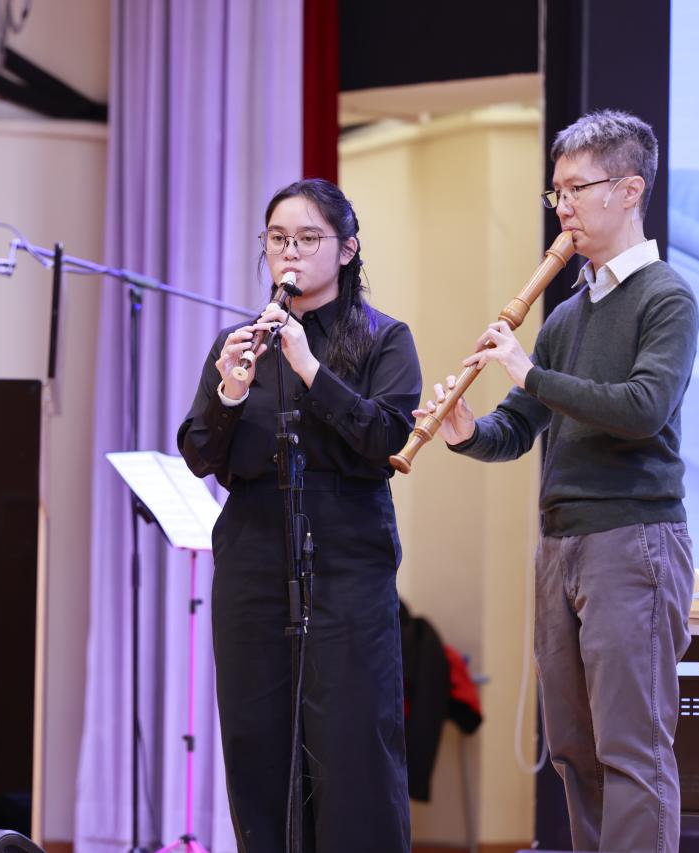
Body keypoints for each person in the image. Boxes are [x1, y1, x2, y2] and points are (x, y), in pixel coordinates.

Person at [416, 110, 698, 853]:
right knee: (574, 750)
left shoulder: (667, 297)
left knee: (632, 751)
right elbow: (518, 427)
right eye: (557, 192)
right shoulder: (567, 314)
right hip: (562, 544)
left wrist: (528, 370)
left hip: (633, 540)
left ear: (628, 190)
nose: (562, 205)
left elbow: (642, 409)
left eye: (576, 188)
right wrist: (465, 430)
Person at [178, 178, 421, 851]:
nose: (290, 252)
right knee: (256, 743)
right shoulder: (241, 342)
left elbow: (385, 438)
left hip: (347, 560)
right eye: (278, 239)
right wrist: (229, 392)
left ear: (347, 249)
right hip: (252, 558)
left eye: (308, 238)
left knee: (352, 747)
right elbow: (198, 452)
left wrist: (312, 369)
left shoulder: (384, 338)